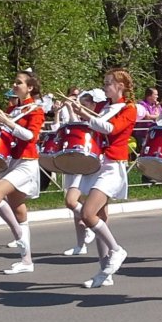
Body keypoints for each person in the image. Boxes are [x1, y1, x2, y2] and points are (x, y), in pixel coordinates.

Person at [66, 68, 137, 289]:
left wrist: (88, 115)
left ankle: (117, 250)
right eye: (105, 82)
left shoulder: (129, 108)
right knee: (100, 220)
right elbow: (93, 128)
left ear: (121, 86)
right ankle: (105, 272)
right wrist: (78, 111)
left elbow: (112, 129)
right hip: (98, 164)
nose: (105, 86)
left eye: (108, 83)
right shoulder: (104, 107)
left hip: (113, 166)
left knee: (89, 214)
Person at [0, 69, 46, 274]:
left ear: (29, 88)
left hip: (27, 162)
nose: (14, 85)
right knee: (18, 209)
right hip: (13, 160)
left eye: (19, 83)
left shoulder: (36, 110)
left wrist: (8, 122)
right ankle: (27, 261)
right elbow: (7, 132)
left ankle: (18, 235)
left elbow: (30, 136)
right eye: (14, 82)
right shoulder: (15, 109)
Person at [60, 89, 104, 257]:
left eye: (85, 106)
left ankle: (91, 221)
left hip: (89, 164)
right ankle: (80, 244)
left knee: (72, 201)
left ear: (93, 106)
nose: (81, 109)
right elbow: (72, 124)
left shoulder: (97, 121)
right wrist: (71, 109)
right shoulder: (82, 120)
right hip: (75, 163)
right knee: (75, 205)